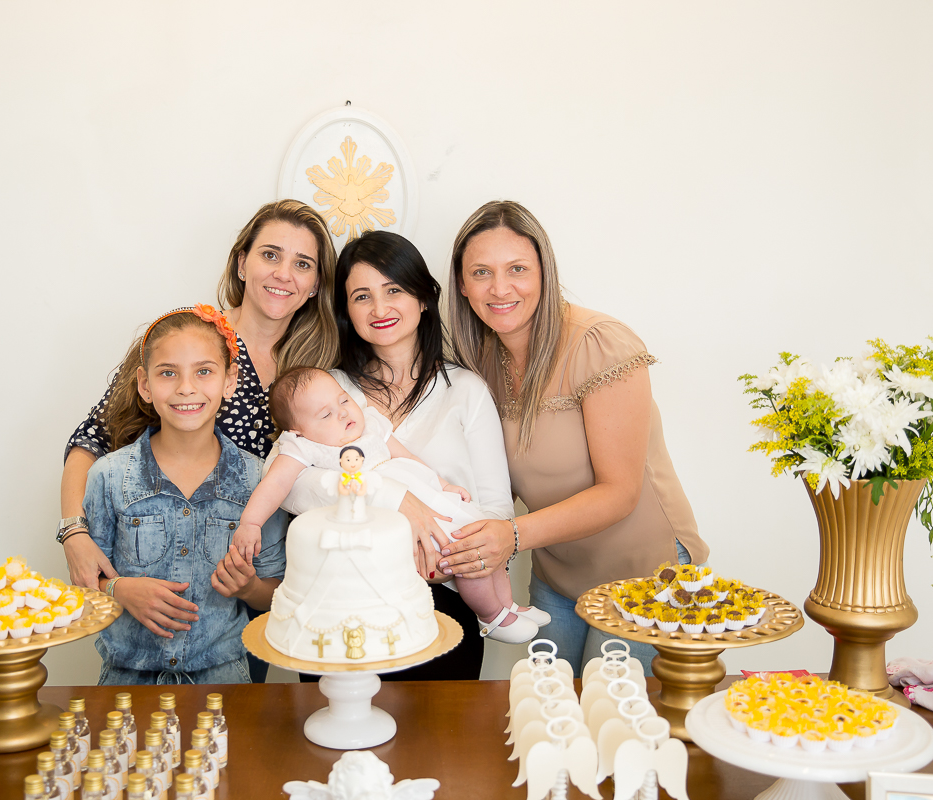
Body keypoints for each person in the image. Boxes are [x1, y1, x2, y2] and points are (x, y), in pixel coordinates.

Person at [59, 200, 339, 682]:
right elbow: (92, 437)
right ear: (241, 262)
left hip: (252, 585)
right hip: (155, 578)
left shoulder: (316, 361)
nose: (284, 274)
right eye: (270, 255)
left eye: (302, 264)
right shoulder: (192, 336)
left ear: (315, 284)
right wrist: (75, 533)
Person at [440, 200, 710, 676]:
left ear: (545, 272)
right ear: (462, 285)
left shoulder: (599, 343)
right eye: (481, 272)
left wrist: (512, 536)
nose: (500, 288)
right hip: (557, 572)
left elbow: (619, 492)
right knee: (550, 712)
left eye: (517, 269)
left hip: (645, 574)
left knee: (615, 723)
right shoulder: (477, 363)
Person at [268, 230, 529, 678]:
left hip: (442, 602)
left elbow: (495, 513)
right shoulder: (327, 391)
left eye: (394, 290)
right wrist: (394, 501)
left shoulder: (465, 391)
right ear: (346, 311)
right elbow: (289, 484)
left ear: (424, 297)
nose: (379, 308)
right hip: (341, 606)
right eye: (361, 296)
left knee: (438, 744)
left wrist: (441, 555)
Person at [236, 366, 544, 643]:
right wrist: (251, 522)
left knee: (481, 539)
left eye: (343, 400)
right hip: (389, 529)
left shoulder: (371, 424)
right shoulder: (305, 448)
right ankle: (492, 616)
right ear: (298, 432)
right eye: (326, 414)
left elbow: (407, 457)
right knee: (461, 557)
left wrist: (444, 485)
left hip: (429, 500)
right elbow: (276, 484)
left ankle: (508, 606)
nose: (343, 413)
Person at [82, 304, 287, 685]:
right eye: (168, 373)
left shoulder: (260, 479)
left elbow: (279, 593)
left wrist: (249, 588)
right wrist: (119, 589)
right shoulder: (108, 475)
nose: (186, 388)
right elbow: (84, 583)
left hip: (227, 682)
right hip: (126, 683)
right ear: (145, 384)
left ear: (230, 381)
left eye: (204, 372)